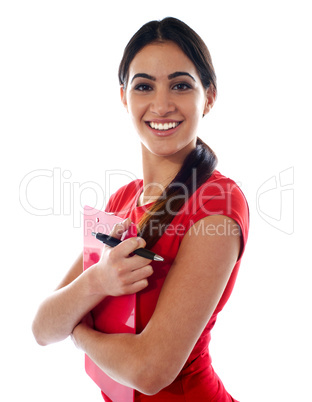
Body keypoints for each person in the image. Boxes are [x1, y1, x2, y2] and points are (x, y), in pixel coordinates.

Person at [32, 17, 249, 401]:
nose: (161, 104)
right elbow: (43, 328)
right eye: (144, 86)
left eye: (181, 85)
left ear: (209, 97)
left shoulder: (217, 204)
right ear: (124, 97)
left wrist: (78, 331)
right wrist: (97, 281)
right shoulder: (122, 200)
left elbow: (150, 372)